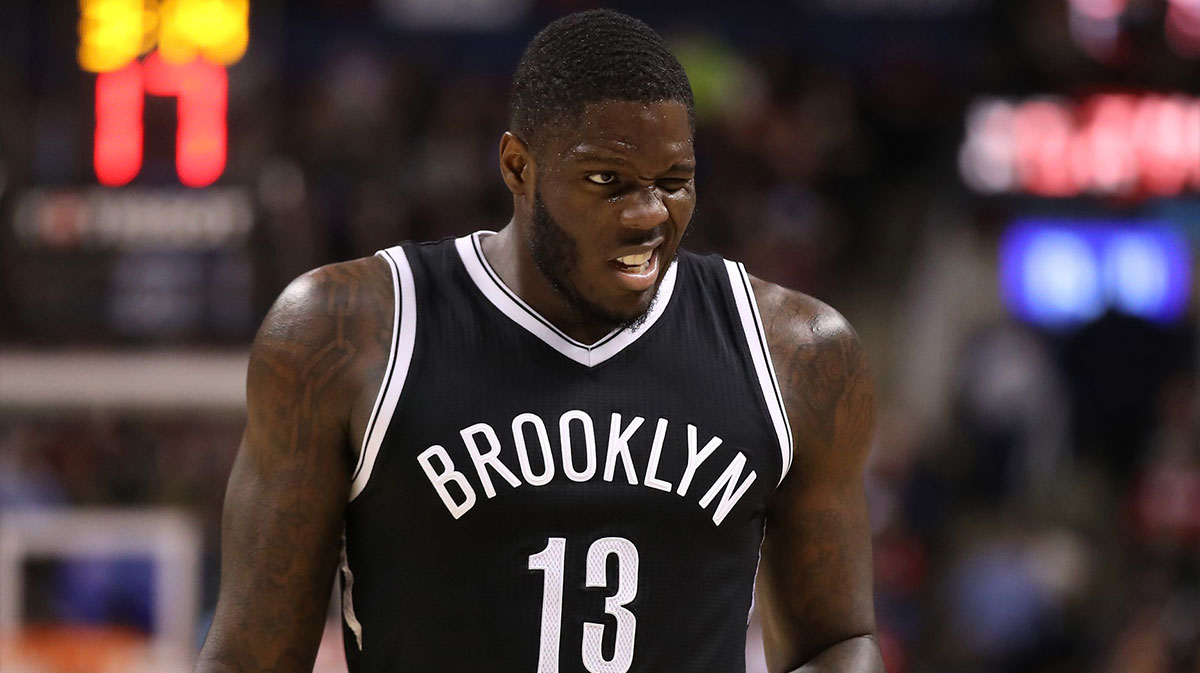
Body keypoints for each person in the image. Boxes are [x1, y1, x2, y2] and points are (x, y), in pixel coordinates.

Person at [194, 9, 882, 673]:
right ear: (518, 167)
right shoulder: (346, 332)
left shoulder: (797, 351)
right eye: (606, 181)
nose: (648, 214)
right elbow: (249, 659)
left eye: (673, 184)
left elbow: (838, 643)